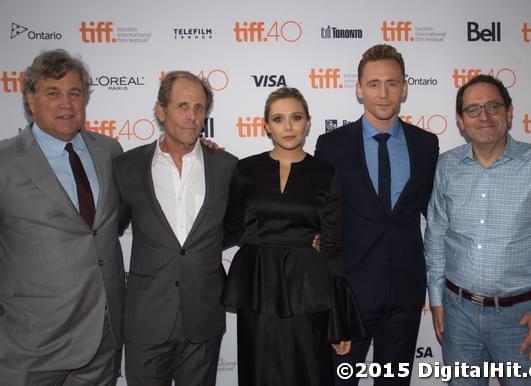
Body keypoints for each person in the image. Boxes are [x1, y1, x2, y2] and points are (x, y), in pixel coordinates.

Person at [425, 74, 531, 385]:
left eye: (493, 106)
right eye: (473, 109)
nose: (484, 116)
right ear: (460, 120)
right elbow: (436, 238)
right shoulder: (447, 166)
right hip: (458, 315)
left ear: (509, 113)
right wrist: (437, 300)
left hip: (521, 318)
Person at [222, 87, 366, 386]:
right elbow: (230, 227)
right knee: (260, 372)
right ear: (266, 125)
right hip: (258, 286)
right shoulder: (245, 169)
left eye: (296, 118)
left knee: (310, 371)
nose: (288, 127)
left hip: (308, 288)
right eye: (278, 119)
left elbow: (334, 246)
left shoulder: (327, 173)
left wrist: (339, 320)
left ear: (308, 122)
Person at [315, 44, 439, 384]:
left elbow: (438, 216)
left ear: (405, 87)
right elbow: (319, 218)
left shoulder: (426, 145)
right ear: (358, 88)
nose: (383, 93)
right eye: (373, 84)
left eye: (392, 83)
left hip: (405, 294)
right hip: (349, 296)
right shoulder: (332, 146)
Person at [0, 49, 125, 385]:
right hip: (31, 346)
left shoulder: (109, 151)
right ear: (30, 100)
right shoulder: (4, 161)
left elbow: (117, 222)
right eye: (52, 94)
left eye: (74, 93)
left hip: (103, 338)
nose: (66, 104)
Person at [113, 70, 238, 386]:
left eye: (199, 108)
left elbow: (240, 225)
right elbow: (110, 226)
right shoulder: (127, 168)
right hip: (146, 319)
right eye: (183, 106)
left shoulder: (226, 167)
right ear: (160, 110)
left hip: (203, 317)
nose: (192, 117)